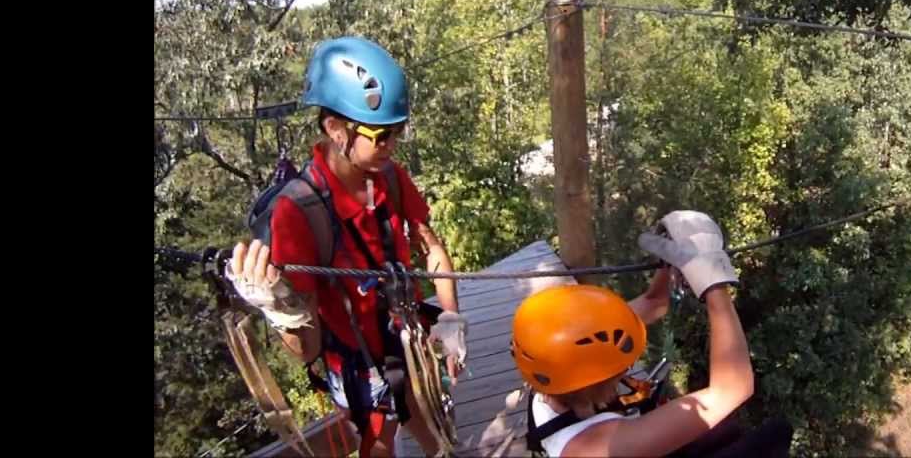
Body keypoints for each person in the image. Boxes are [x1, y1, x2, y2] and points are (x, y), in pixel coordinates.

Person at [226, 36, 464, 457]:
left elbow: (433, 248)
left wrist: (449, 316)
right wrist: (283, 310)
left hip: (408, 341)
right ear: (336, 130)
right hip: (357, 365)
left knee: (438, 438)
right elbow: (307, 351)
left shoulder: (389, 176)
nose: (393, 144)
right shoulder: (298, 214)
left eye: (398, 132)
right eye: (382, 134)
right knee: (378, 447)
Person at [513, 210, 793, 458]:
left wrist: (670, 262)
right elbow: (734, 388)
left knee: (728, 431)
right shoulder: (599, 447)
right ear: (602, 383)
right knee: (773, 436)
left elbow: (653, 304)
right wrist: (713, 282)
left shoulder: (551, 358)